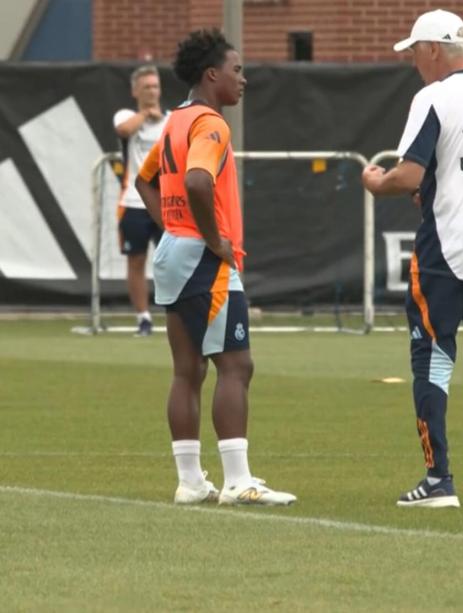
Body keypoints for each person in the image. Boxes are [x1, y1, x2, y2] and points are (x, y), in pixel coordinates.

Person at [362, 9, 463, 508]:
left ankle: (439, 481)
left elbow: (409, 175)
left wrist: (375, 182)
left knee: (433, 359)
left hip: (447, 249)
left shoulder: (432, 97)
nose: (413, 61)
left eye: (414, 51)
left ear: (434, 49)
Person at [135, 29, 296, 506]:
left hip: (173, 253)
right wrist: (209, 238)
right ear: (212, 74)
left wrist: (175, 226)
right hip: (204, 260)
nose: (242, 79)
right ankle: (237, 481)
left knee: (187, 370)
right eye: (237, 70)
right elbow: (199, 181)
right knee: (236, 365)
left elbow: (145, 180)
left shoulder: (174, 121)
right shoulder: (211, 123)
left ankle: (190, 482)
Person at [114, 65, 167, 336]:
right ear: (136, 91)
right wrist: (146, 113)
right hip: (133, 202)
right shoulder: (127, 116)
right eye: (146, 87)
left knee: (172, 259)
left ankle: (178, 312)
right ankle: (143, 318)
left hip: (166, 203)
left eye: (155, 86)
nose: (152, 92)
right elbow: (124, 130)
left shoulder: (170, 120)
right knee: (136, 260)